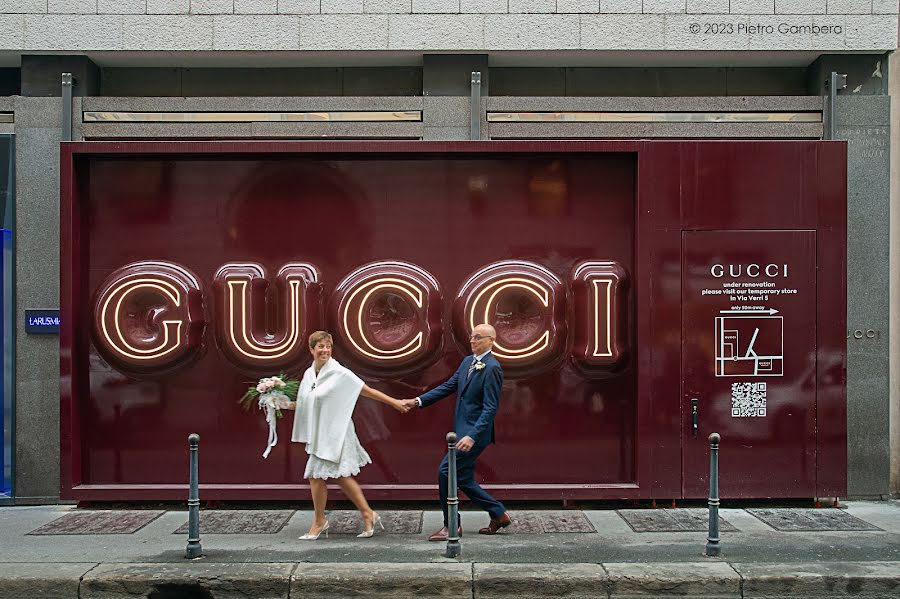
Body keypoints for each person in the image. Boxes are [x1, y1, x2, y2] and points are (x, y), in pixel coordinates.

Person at [282, 330, 410, 540]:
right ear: (311, 349)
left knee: (318, 476)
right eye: (320, 346)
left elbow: (365, 390)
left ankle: (321, 522)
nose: (324, 350)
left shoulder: (340, 372)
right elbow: (306, 404)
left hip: (337, 431)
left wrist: (394, 402)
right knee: (337, 476)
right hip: (321, 433)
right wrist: (282, 404)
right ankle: (366, 514)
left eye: (328, 346)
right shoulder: (309, 375)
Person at [401, 323, 512, 540]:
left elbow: (490, 408)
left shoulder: (492, 367)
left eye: (478, 337)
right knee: (463, 478)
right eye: (472, 337)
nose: (473, 341)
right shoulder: (467, 362)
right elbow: (448, 386)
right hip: (461, 432)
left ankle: (451, 525)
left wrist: (472, 436)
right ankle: (498, 514)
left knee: (446, 472)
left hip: (474, 435)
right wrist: (417, 401)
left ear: (491, 340)